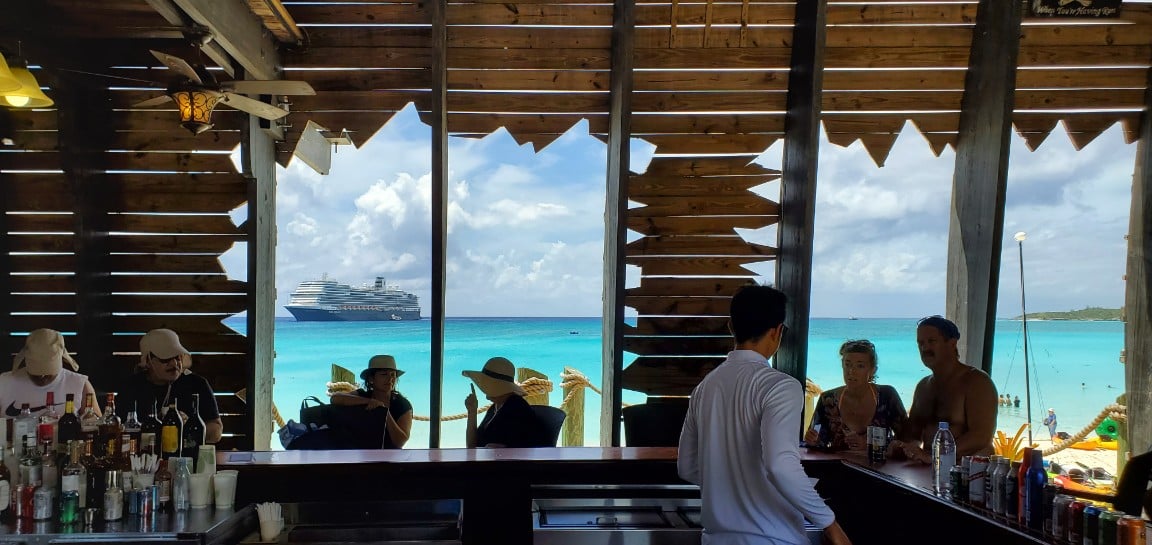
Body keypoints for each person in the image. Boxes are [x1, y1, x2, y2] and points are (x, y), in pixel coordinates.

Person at [678, 285, 852, 545]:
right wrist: (831, 525)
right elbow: (780, 465)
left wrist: (735, 484)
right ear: (777, 331)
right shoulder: (780, 386)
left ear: (731, 327)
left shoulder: (705, 387)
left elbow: (687, 467)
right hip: (773, 538)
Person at [889, 315, 997, 463]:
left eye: (932, 341)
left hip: (964, 474)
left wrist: (935, 456)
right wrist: (898, 446)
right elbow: (913, 436)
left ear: (952, 344)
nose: (925, 348)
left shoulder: (977, 382)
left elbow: (981, 436)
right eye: (920, 343)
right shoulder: (923, 386)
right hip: (928, 469)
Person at [115, 329, 222, 443]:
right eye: (165, 359)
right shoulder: (131, 386)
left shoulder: (196, 384)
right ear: (147, 361)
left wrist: (190, 426)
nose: (174, 364)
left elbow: (216, 432)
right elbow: (117, 430)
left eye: (177, 357)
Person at [805, 339, 907, 451]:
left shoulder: (887, 396)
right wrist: (813, 440)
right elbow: (818, 440)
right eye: (847, 364)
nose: (851, 371)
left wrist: (869, 444)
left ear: (873, 370)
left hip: (878, 467)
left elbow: (907, 440)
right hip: (837, 466)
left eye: (860, 366)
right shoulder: (828, 399)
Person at [0, 328, 100, 419]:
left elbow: (96, 427)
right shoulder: (4, 383)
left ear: (62, 359)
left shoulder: (79, 384)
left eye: (48, 373)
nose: (42, 376)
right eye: (36, 373)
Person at [330, 355, 413, 448]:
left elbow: (400, 442)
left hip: (391, 457)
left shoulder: (402, 404)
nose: (390, 379)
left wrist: (384, 412)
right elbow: (335, 398)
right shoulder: (363, 396)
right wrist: (368, 401)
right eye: (384, 374)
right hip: (362, 454)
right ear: (371, 379)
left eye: (392, 374)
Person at [463, 357, 548, 448]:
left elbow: (512, 451)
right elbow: (473, 447)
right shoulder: (496, 407)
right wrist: (472, 412)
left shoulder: (517, 410)